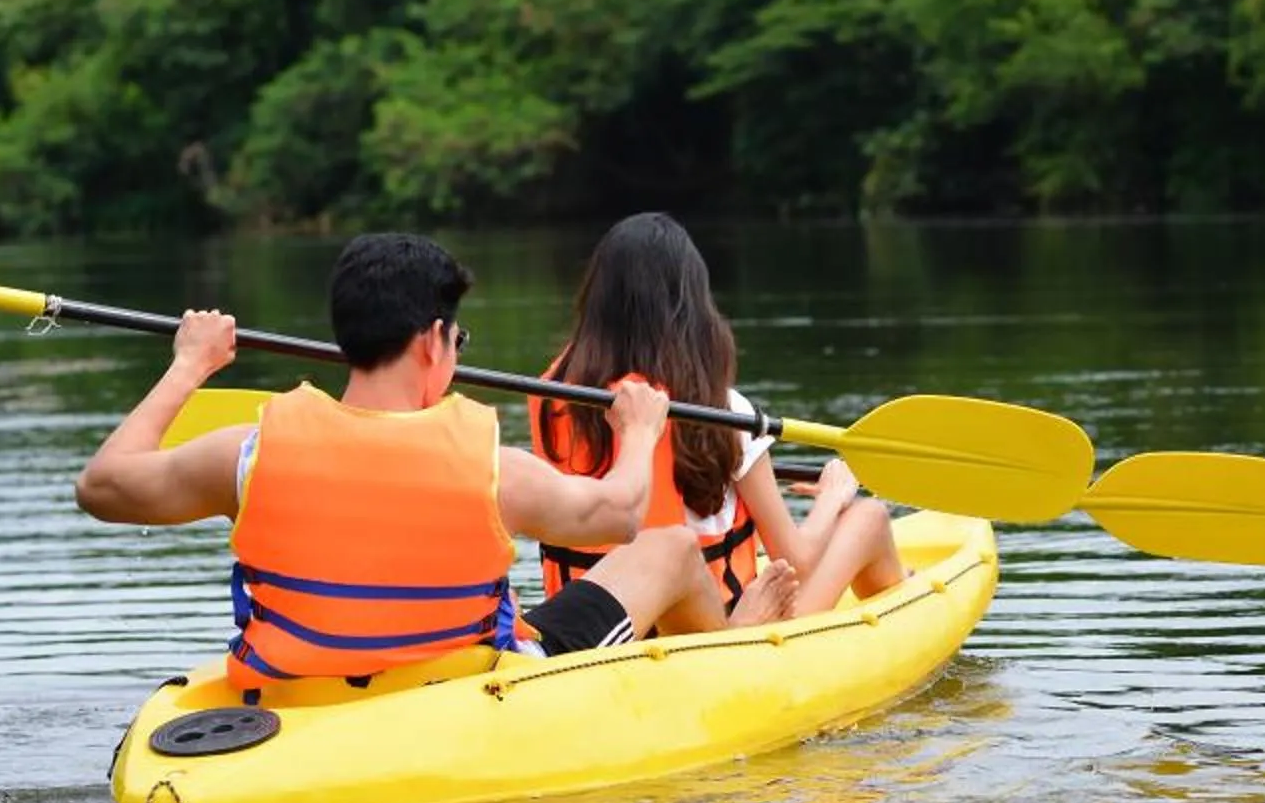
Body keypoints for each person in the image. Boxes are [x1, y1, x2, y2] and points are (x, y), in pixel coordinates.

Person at [72, 232, 778, 690]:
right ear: (433, 341)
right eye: (458, 336)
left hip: (299, 688)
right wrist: (637, 429)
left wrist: (190, 365)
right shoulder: (489, 467)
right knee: (672, 547)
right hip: (468, 688)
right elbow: (623, 515)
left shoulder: (248, 453)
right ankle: (733, 655)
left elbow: (101, 487)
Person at [532, 212, 906, 620]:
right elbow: (796, 560)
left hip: (600, 625)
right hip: (718, 630)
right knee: (867, 517)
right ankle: (902, 603)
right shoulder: (724, 411)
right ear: (692, 309)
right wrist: (833, 497)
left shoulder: (556, 400)